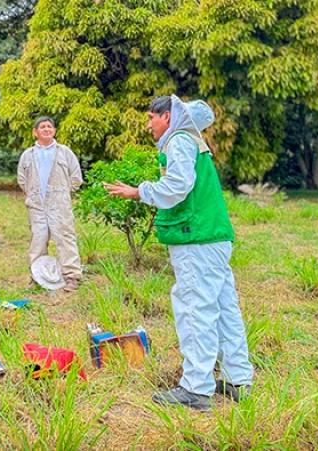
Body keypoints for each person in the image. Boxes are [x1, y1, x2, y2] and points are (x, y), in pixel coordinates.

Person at [104, 95, 253, 411]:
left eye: (151, 118)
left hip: (195, 237)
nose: (148, 125)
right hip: (212, 236)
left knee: (194, 308)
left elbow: (177, 186)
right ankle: (237, 379)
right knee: (224, 307)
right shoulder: (193, 141)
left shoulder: (179, 142)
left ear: (167, 117)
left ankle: (196, 388)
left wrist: (138, 191)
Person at [17, 116, 83, 291]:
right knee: (38, 240)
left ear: (54, 131)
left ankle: (72, 276)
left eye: (49, 126)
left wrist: (62, 193)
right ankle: (37, 276)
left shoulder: (65, 152)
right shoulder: (28, 155)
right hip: (36, 205)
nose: (46, 129)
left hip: (60, 205)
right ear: (35, 132)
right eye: (42, 127)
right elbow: (22, 180)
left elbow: (76, 177)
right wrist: (33, 194)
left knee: (65, 238)